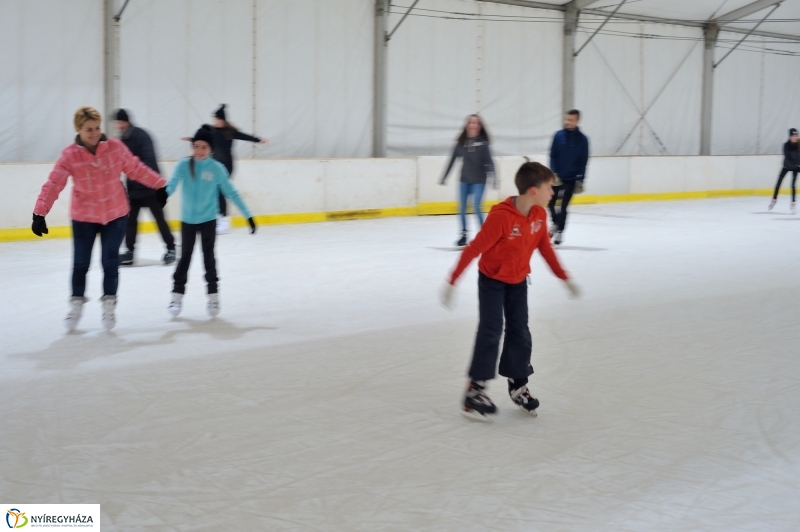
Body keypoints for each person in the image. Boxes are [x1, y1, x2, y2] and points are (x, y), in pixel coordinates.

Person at [440, 161, 580, 421]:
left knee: (520, 330)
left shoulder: (539, 216)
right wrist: (452, 280)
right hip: (492, 280)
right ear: (533, 191)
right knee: (491, 329)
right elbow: (474, 249)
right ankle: (475, 391)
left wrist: (564, 277)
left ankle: (518, 384)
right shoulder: (501, 217)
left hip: (517, 281)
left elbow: (546, 249)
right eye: (550, 187)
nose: (554, 192)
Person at [32, 106, 167, 332]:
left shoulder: (115, 148)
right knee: (81, 263)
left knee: (110, 261)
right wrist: (40, 212)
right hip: (84, 216)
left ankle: (109, 304)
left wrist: (159, 184)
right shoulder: (70, 155)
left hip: (115, 214)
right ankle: (76, 304)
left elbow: (136, 168)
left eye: (96, 128)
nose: (94, 133)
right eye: (88, 130)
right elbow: (54, 183)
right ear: (78, 129)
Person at [166, 125, 257, 318]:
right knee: (185, 257)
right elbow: (171, 185)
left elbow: (231, 192)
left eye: (203, 147)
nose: (199, 151)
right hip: (188, 220)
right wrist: (161, 197)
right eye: (196, 146)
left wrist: (248, 215)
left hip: (208, 220)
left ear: (211, 149)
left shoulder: (217, 169)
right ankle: (176, 295)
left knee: (209, 258)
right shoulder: (184, 165)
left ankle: (213, 296)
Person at [113, 109, 177, 266]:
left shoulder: (142, 136)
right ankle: (129, 252)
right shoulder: (122, 139)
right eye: (117, 123)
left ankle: (171, 248)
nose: (118, 125)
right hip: (134, 189)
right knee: (131, 221)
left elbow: (149, 161)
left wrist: (152, 182)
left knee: (159, 219)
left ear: (126, 121)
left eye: (120, 122)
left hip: (150, 187)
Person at [210, 104, 268, 235]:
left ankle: (224, 222)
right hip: (215, 165)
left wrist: (259, 140)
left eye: (217, 119)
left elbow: (245, 136)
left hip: (226, 165)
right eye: (214, 119)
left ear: (223, 120)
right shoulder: (212, 132)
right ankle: (219, 219)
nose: (215, 122)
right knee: (214, 191)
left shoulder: (229, 132)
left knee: (220, 191)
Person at [440, 114, 497, 247]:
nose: (473, 125)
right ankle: (464, 235)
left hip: (479, 180)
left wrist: (494, 179)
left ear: (479, 126)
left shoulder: (483, 143)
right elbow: (452, 160)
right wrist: (444, 176)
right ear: (467, 125)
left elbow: (489, 162)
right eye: (471, 122)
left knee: (477, 206)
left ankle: (485, 235)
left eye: (476, 123)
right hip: (464, 180)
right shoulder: (461, 143)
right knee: (462, 208)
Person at [548, 109, 589, 245]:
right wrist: (553, 172)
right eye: (567, 119)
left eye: (571, 120)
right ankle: (555, 224)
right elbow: (552, 155)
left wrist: (580, 179)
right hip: (557, 177)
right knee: (551, 202)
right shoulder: (558, 136)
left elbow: (583, 161)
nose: (568, 122)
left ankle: (560, 231)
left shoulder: (583, 140)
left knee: (563, 206)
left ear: (578, 121)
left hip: (571, 179)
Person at [769, 128, 800, 214]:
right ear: (790, 136)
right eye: (793, 136)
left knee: (793, 184)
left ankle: (793, 203)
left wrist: (798, 165)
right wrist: (797, 166)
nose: (795, 137)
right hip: (787, 166)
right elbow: (788, 158)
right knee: (779, 182)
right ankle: (774, 199)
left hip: (795, 167)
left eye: (796, 135)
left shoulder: (798, 145)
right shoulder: (786, 145)